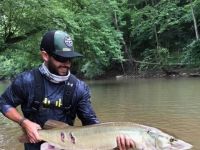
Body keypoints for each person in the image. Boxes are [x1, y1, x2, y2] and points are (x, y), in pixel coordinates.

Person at [0, 30, 135, 150]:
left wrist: (115, 145)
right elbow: (4, 103)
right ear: (45, 55)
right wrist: (24, 122)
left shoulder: (79, 88)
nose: (67, 63)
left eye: (70, 58)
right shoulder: (27, 80)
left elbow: (93, 126)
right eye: (61, 58)